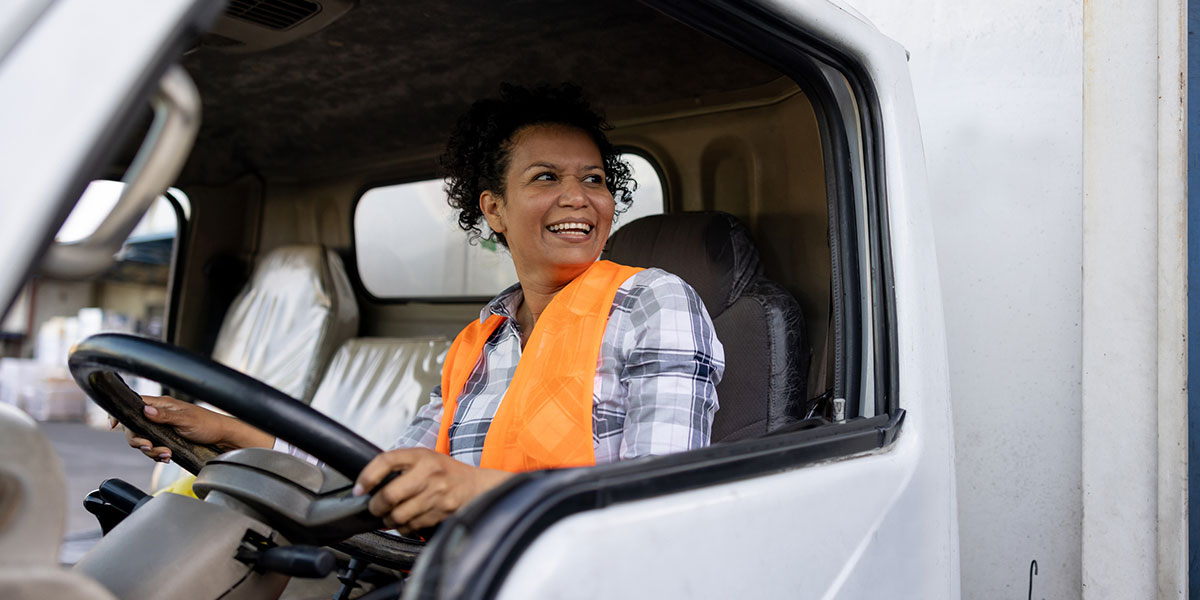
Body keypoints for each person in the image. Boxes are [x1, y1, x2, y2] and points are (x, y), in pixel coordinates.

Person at [120, 84, 724, 535]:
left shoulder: (652, 301)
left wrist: (473, 492)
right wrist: (231, 435)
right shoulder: (478, 341)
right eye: (545, 177)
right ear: (494, 209)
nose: (578, 197)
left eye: (594, 179)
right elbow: (382, 471)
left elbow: (662, 497)